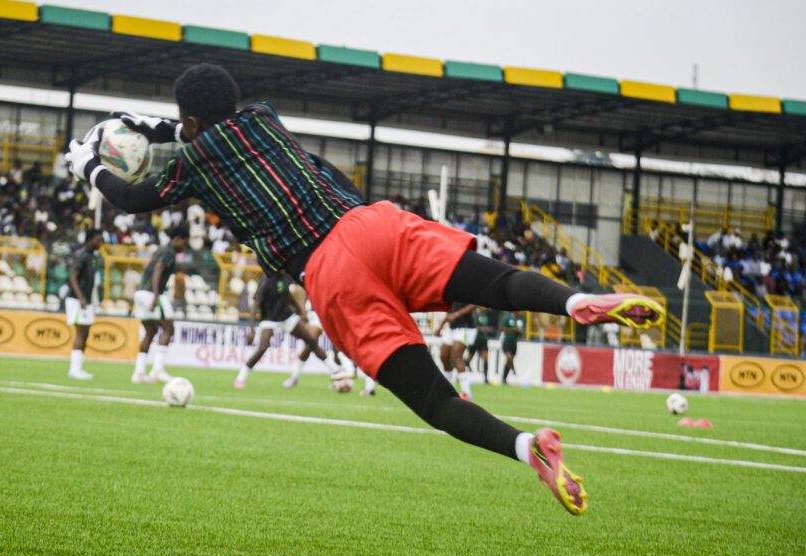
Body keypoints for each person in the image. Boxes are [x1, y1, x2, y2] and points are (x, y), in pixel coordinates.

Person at [66, 63, 664, 515]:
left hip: (332, 273)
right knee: (500, 282)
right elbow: (192, 129)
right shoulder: (265, 119)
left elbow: (132, 197)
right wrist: (136, 126)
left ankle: (527, 446)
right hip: (374, 223)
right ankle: (575, 301)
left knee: (436, 401)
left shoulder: (192, 162)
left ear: (191, 124)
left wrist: (87, 162)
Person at [237, 271, 346, 389]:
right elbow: (256, 304)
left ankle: (335, 370)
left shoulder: (286, 277)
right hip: (269, 318)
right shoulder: (265, 280)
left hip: (286, 317)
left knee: (311, 340)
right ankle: (241, 377)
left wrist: (300, 311)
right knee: (263, 347)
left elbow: (287, 296)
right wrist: (252, 329)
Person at [132, 224, 188, 384]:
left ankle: (139, 373)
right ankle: (157, 370)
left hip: (141, 293)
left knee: (150, 332)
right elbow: (158, 269)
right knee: (169, 328)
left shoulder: (160, 250)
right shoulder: (169, 252)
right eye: (184, 242)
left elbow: (148, 268)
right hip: (152, 294)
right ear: (177, 239)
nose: (184, 246)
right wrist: (156, 296)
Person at [65, 228, 104, 380]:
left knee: (86, 332)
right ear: (90, 239)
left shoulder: (93, 256)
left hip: (87, 300)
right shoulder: (81, 255)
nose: (102, 243)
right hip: (77, 299)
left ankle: (78, 368)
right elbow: (73, 277)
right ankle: (74, 369)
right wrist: (81, 297)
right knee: (81, 332)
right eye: (99, 240)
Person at [436, 303, 476, 399]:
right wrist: (441, 326)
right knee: (443, 356)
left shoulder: (467, 290)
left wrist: (457, 314)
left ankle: (467, 393)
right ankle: (449, 389)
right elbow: (450, 310)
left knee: (456, 357)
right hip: (451, 327)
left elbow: (474, 305)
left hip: (465, 327)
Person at [499, 310, 525, 385]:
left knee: (508, 362)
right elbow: (501, 329)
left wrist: (520, 331)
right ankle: (513, 369)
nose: (521, 312)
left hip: (514, 344)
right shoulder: (508, 318)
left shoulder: (521, 319)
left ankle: (504, 379)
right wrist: (513, 330)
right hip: (506, 342)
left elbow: (523, 332)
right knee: (509, 358)